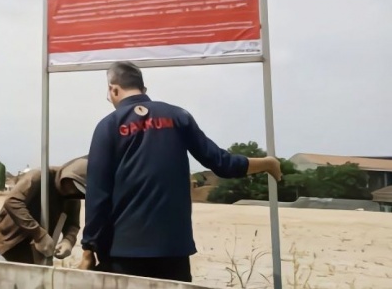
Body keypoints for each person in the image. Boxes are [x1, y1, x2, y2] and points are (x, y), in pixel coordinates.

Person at [77, 61, 282, 282]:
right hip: (173, 250)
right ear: (144, 90)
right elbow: (222, 163)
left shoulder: (108, 126)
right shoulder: (178, 116)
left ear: (113, 89)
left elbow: (98, 194)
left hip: (123, 251)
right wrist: (268, 163)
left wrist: (89, 249)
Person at [0, 156, 87, 264]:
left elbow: (72, 224)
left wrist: (68, 240)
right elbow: (12, 202)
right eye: (72, 185)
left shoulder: (73, 196)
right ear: (67, 176)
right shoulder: (39, 177)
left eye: (77, 190)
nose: (72, 190)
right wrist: (39, 234)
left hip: (35, 255)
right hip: (8, 244)